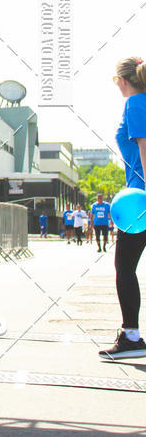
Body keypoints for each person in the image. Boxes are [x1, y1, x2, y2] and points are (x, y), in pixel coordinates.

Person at [99, 56, 146, 361]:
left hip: (140, 201)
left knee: (124, 267)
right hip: (137, 199)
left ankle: (131, 337)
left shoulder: (136, 103)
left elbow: (144, 149)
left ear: (121, 81)